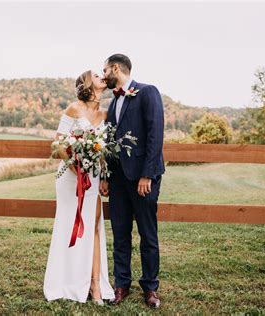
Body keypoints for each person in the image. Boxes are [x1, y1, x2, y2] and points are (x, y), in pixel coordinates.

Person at [43, 70, 115, 305]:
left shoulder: (106, 113)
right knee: (68, 225)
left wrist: (102, 176)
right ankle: (64, 281)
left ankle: (94, 286)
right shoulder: (74, 108)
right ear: (87, 82)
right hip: (71, 178)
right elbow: (58, 142)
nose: (102, 76)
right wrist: (75, 166)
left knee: (93, 227)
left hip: (92, 179)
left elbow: (103, 153)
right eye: (97, 74)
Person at [100, 53, 165, 308]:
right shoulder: (112, 102)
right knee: (120, 234)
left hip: (142, 179)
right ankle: (121, 285)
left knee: (148, 234)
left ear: (116, 68)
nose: (103, 75)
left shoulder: (148, 92)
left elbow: (155, 135)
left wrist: (146, 174)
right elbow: (109, 145)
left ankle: (150, 288)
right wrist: (106, 176)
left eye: (105, 70)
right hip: (118, 181)